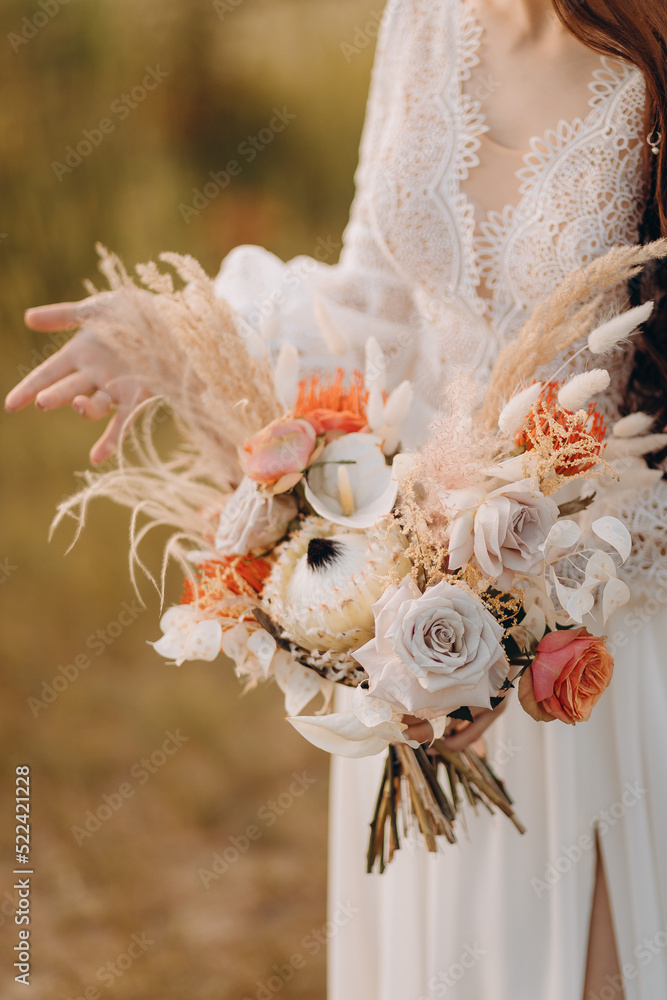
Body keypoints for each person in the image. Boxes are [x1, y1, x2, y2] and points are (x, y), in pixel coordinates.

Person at [5, 1, 667, 997]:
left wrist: (533, 615)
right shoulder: (426, 18)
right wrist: (178, 329)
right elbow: (377, 301)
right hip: (421, 631)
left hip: (606, 641)